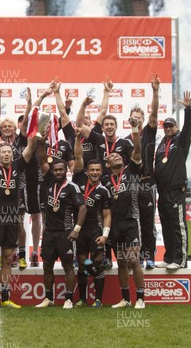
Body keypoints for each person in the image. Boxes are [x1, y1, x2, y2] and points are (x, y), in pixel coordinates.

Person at [0, 108, 36, 309]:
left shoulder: (19, 167)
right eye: (2, 152)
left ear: (13, 155)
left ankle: (5, 297)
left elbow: (30, 146)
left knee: (7, 258)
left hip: (12, 218)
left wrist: (34, 125)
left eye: (9, 152)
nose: (6, 154)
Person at [104, 116, 145, 309]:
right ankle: (125, 299)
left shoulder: (131, 171)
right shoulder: (105, 182)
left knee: (133, 259)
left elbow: (137, 149)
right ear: (108, 163)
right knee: (120, 262)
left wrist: (135, 128)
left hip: (130, 221)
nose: (116, 156)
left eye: (119, 156)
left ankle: (141, 299)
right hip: (115, 226)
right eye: (112, 156)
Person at [35, 158, 86, 310]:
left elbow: (82, 208)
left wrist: (76, 229)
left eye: (61, 170)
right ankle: (49, 298)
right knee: (47, 266)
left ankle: (69, 299)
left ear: (66, 171)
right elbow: (42, 159)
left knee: (68, 266)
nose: (58, 172)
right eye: (55, 170)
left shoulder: (72, 187)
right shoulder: (49, 183)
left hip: (65, 233)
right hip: (49, 233)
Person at [154, 91, 191, 270]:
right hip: (162, 192)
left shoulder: (181, 141)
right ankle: (169, 256)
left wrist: (188, 109)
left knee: (178, 225)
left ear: (176, 127)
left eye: (171, 126)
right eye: (166, 126)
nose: (168, 128)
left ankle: (180, 259)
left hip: (176, 191)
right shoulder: (162, 144)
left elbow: (189, 128)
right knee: (166, 225)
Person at [72, 132, 112, 308]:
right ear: (87, 171)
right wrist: (77, 139)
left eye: (98, 170)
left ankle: (99, 299)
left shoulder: (104, 191)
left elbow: (107, 216)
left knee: (96, 266)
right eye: (92, 170)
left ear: (101, 172)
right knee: (81, 265)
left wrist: (105, 235)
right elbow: (78, 155)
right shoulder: (79, 181)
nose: (95, 173)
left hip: (96, 231)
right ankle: (82, 298)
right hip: (79, 231)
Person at [125, 74, 160, 269]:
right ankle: (137, 256)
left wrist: (155, 91)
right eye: (133, 118)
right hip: (132, 185)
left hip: (147, 182)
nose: (136, 120)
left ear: (143, 120)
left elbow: (154, 113)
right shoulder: (125, 140)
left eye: (139, 118)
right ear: (129, 119)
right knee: (133, 223)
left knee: (148, 222)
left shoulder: (149, 132)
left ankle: (150, 256)